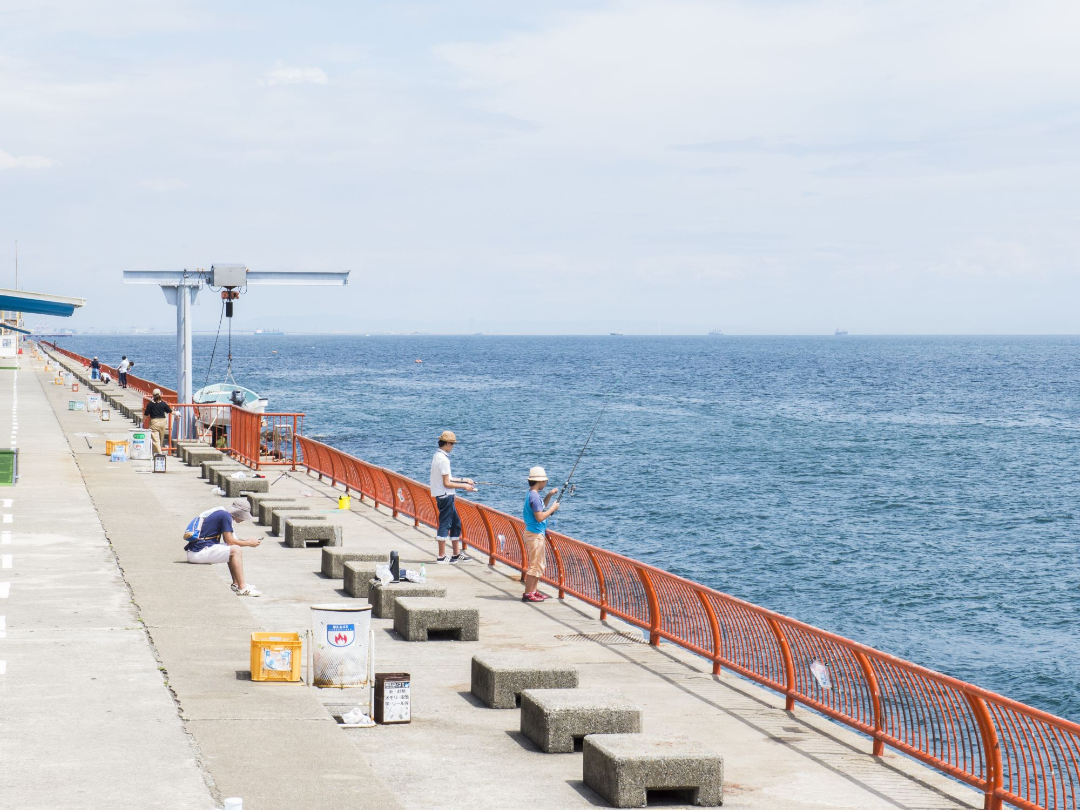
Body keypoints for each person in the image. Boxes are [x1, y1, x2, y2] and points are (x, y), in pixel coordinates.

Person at [183, 500, 262, 596]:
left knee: (233, 548)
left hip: (197, 551)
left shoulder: (222, 513)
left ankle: (236, 584)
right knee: (235, 550)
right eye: (243, 516)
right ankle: (243, 588)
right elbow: (230, 541)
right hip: (198, 553)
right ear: (239, 513)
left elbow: (230, 541)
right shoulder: (225, 516)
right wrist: (249, 543)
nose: (243, 519)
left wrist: (247, 541)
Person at [429, 430, 475, 564]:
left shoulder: (437, 456)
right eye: (452, 444)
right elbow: (447, 483)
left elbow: (449, 478)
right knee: (445, 524)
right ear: (448, 443)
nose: (453, 447)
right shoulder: (443, 459)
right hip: (445, 496)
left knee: (456, 523)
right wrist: (465, 487)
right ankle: (441, 556)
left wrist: (465, 480)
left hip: (443, 494)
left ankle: (456, 554)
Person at [521, 466, 561, 603]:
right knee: (535, 565)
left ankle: (533, 591)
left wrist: (549, 495)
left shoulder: (532, 494)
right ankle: (528, 594)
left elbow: (540, 507)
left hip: (536, 533)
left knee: (539, 564)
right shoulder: (534, 496)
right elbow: (539, 516)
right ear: (540, 482)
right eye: (545, 481)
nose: (546, 483)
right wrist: (553, 509)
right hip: (534, 535)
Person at [144, 388, 173, 454]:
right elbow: (170, 411)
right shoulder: (163, 404)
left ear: (153, 395)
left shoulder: (150, 404)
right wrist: (177, 413)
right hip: (162, 422)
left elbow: (146, 414)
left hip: (154, 422)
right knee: (161, 439)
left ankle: (159, 453)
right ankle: (157, 453)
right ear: (160, 395)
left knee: (155, 440)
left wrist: (143, 422)